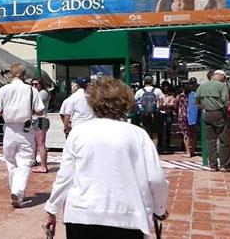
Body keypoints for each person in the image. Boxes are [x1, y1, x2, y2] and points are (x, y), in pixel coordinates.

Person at [43, 77, 169, 239]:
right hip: (127, 216)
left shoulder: (78, 133)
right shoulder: (138, 135)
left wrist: (51, 210)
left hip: (82, 215)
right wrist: (159, 210)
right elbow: (156, 179)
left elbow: (65, 177)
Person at [0, 64, 44, 208]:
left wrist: (6, 113)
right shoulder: (31, 90)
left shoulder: (3, 90)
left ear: (11, 74)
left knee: (11, 162)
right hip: (25, 129)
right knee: (24, 162)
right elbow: (40, 111)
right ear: (23, 75)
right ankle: (18, 191)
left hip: (9, 129)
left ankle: (17, 192)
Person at [196, 70, 230, 172]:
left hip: (207, 113)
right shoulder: (222, 86)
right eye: (224, 77)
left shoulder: (202, 86)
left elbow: (197, 99)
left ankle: (213, 165)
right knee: (224, 140)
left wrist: (203, 106)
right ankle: (224, 165)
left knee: (210, 141)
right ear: (220, 76)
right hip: (219, 113)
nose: (225, 80)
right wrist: (228, 110)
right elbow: (225, 100)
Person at [135, 75, 166, 146]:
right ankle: (154, 149)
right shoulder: (157, 90)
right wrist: (158, 109)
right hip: (155, 114)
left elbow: (135, 102)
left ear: (144, 82)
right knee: (155, 133)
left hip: (144, 114)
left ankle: (146, 148)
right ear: (152, 81)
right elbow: (162, 102)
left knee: (145, 132)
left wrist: (139, 111)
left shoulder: (139, 91)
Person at [31, 79, 51, 173]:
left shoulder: (43, 93)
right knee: (35, 143)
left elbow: (36, 106)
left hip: (41, 119)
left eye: (36, 84)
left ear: (41, 84)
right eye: (32, 84)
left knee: (41, 144)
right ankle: (34, 160)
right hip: (36, 120)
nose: (34, 86)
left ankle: (43, 166)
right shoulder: (37, 93)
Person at [177, 80, 200, 158]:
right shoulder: (194, 95)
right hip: (192, 116)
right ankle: (193, 150)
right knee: (193, 133)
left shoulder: (180, 96)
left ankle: (188, 152)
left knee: (186, 134)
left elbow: (176, 105)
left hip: (183, 117)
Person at [160, 81, 178, 154]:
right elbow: (159, 104)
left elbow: (172, 104)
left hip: (168, 113)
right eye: (164, 86)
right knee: (160, 129)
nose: (166, 87)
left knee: (168, 129)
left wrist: (164, 104)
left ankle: (168, 145)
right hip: (161, 113)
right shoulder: (160, 94)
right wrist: (165, 104)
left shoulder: (172, 95)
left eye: (167, 86)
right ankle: (160, 145)